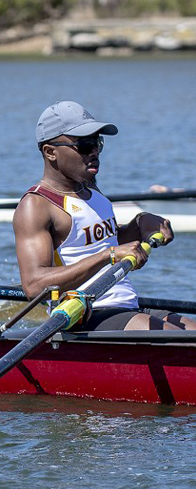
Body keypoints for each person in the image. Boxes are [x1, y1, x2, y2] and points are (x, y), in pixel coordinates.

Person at [13, 100, 192, 331]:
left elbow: (108, 242)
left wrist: (140, 224)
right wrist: (108, 256)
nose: (95, 151)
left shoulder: (90, 189)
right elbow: (34, 286)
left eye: (98, 142)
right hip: (84, 313)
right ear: (50, 152)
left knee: (191, 331)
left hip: (125, 305)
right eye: (86, 144)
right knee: (181, 341)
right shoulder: (36, 205)